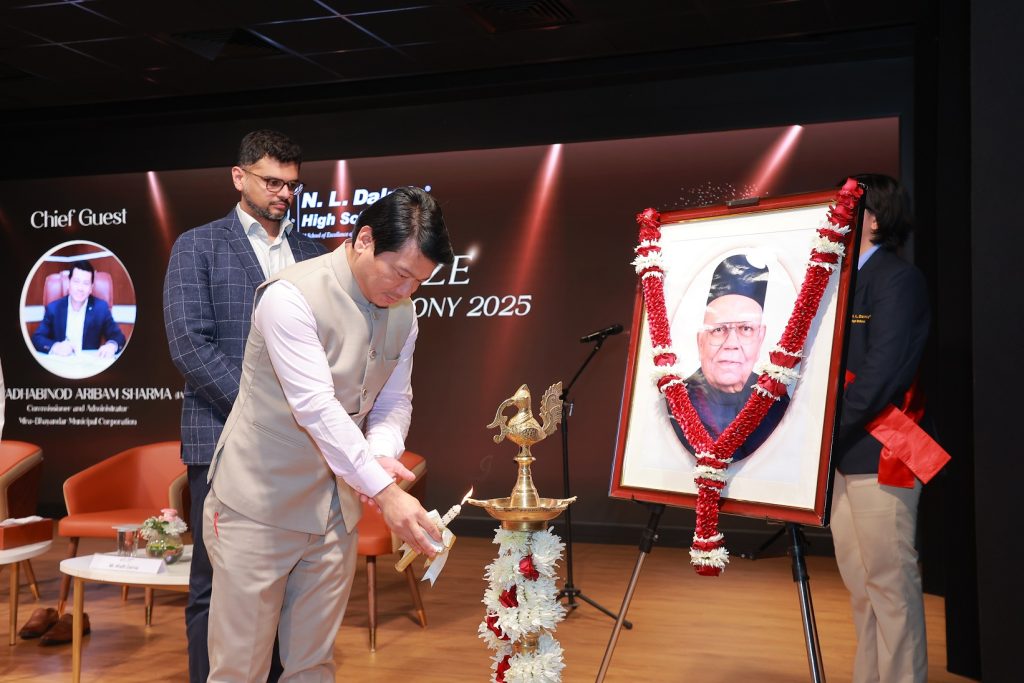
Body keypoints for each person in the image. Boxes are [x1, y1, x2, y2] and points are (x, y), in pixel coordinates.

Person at [203, 186, 453, 682]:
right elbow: (315, 408)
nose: (406, 290)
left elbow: (392, 400)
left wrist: (380, 455)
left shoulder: (404, 313)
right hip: (259, 505)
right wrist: (387, 495)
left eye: (419, 281)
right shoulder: (289, 297)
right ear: (364, 240)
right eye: (399, 273)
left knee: (313, 664)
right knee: (241, 668)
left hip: (336, 509)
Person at [163, 130, 326, 683]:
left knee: (287, 585)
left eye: (292, 184)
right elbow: (190, 344)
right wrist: (266, 413)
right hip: (221, 439)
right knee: (216, 585)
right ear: (239, 177)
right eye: (272, 181)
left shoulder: (314, 254)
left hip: (300, 451)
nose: (284, 193)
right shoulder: (198, 246)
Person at [829, 173, 930, 683]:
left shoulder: (896, 279)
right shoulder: (837, 280)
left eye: (844, 209)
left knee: (891, 588)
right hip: (843, 457)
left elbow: (881, 374)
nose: (832, 219)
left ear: (871, 219)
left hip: (880, 451)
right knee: (861, 588)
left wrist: (825, 434)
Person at [670, 254, 789, 461]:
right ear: (701, 340)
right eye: (718, 329)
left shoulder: (777, 403)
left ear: (760, 338)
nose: (731, 343)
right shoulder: (676, 400)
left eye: (746, 329)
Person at [31, 260, 125, 358]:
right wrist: (55, 347)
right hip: (60, 361)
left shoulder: (101, 308)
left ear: (91, 288)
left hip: (88, 363)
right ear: (69, 283)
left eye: (86, 283)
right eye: (76, 281)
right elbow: (37, 338)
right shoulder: (53, 308)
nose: (80, 288)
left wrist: (111, 346)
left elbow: (118, 337)